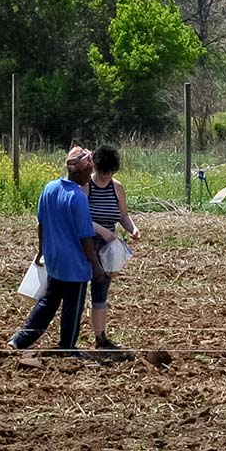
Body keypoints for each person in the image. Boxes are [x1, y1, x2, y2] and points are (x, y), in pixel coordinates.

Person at [8, 147, 102, 356]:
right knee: (73, 306)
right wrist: (95, 266)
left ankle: (20, 339)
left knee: (48, 302)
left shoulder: (50, 188)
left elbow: (41, 223)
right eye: (89, 170)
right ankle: (67, 347)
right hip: (75, 265)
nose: (90, 175)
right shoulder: (78, 198)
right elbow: (85, 237)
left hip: (55, 260)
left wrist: (42, 250)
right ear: (78, 171)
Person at [83, 144, 141, 351]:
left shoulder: (117, 187)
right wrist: (103, 232)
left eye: (110, 172)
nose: (106, 176)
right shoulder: (85, 185)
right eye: (102, 172)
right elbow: (80, 218)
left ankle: (100, 337)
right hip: (86, 245)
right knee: (79, 291)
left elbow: (122, 216)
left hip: (107, 249)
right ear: (94, 167)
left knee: (101, 292)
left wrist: (133, 228)